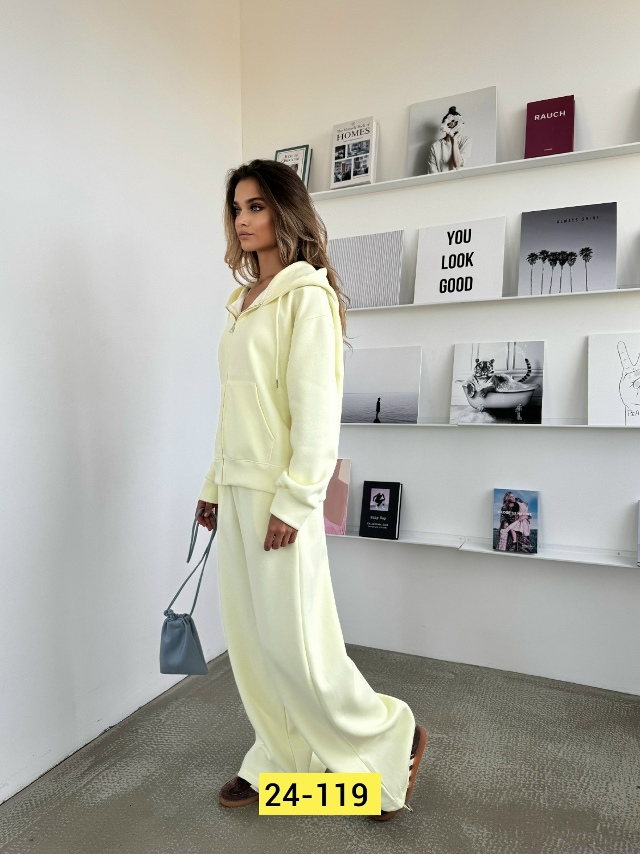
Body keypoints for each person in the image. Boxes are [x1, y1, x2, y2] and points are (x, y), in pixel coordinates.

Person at [195, 159, 427, 820]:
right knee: (252, 643)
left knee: (299, 646)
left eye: (256, 206)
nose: (243, 220)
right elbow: (234, 409)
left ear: (285, 211)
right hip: (238, 490)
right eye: (236, 208)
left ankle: (392, 737)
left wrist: (296, 501)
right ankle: (280, 760)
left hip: (280, 499)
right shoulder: (243, 304)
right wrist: (213, 484)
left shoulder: (307, 296)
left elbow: (318, 415)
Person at [427, 105, 472, 173]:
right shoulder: (435, 146)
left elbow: (458, 164)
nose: (452, 124)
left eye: (455, 123)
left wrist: (454, 141)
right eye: (450, 122)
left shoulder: (465, 141)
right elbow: (432, 173)